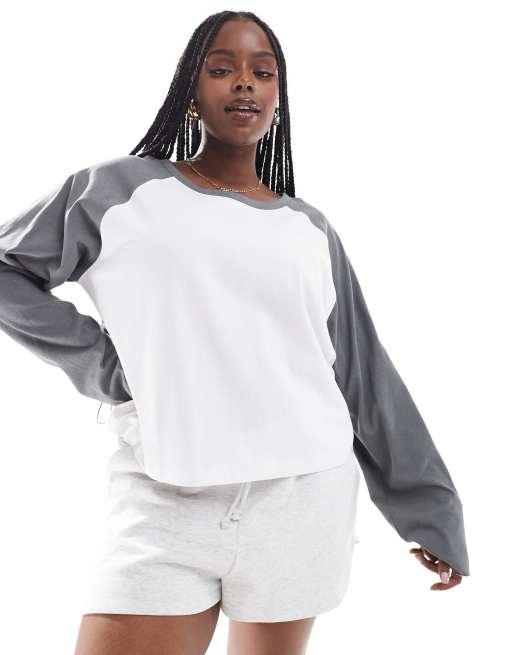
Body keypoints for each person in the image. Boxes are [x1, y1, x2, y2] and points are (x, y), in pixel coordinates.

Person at [0, 10, 469, 655]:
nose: (245, 83)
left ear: (278, 96)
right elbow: (9, 271)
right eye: (221, 69)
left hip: (305, 498)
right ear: (190, 90)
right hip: (166, 496)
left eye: (263, 72)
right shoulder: (118, 191)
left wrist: (432, 511)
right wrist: (107, 367)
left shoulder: (309, 229)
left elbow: (364, 376)